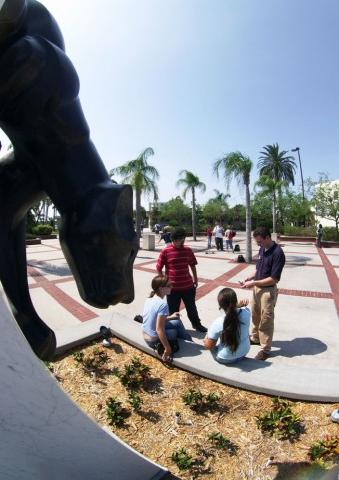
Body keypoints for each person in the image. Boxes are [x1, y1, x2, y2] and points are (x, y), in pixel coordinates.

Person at [241, 227, 285, 361]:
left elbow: (274, 278)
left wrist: (254, 283)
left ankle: (265, 349)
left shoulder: (278, 253)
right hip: (257, 288)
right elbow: (258, 268)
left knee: (266, 320)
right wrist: (250, 277)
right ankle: (255, 338)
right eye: (257, 242)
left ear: (267, 238)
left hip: (268, 291)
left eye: (260, 242)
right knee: (255, 314)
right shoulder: (262, 249)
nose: (258, 245)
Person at [156, 227, 207, 332]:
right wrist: (163, 282)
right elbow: (158, 267)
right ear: (173, 239)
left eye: (183, 239)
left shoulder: (187, 250)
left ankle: (197, 324)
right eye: (179, 239)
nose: (182, 241)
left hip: (188, 286)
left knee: (191, 307)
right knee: (173, 310)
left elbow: (192, 265)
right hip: (172, 288)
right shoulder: (166, 251)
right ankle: (175, 327)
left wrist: (196, 279)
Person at [142, 274, 192, 362]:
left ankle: (188, 341)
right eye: (169, 286)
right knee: (173, 332)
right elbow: (159, 329)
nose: (172, 287)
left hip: (145, 335)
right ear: (161, 288)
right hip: (153, 341)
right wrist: (167, 349)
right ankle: (189, 342)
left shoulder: (150, 299)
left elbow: (154, 319)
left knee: (176, 321)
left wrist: (170, 317)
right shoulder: (162, 304)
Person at [203, 288, 250, 363]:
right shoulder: (246, 312)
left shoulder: (218, 322)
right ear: (236, 301)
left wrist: (206, 338)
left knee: (209, 338)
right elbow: (235, 310)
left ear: (220, 306)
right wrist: (238, 305)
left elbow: (209, 346)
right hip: (244, 352)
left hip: (226, 358)